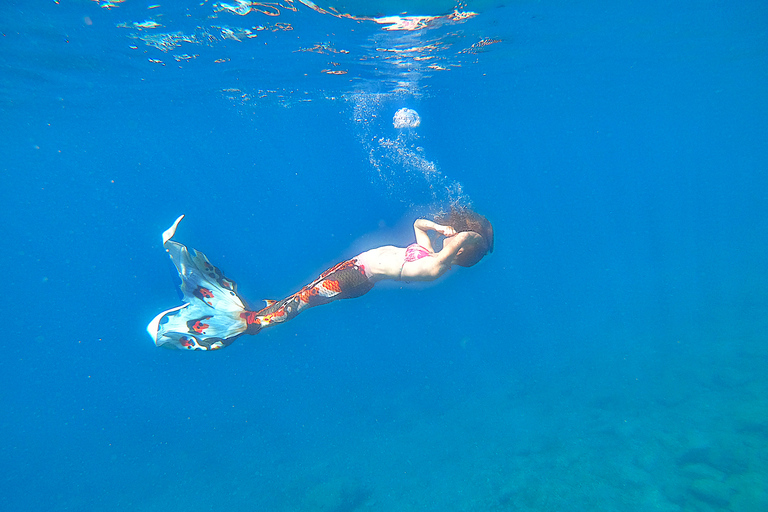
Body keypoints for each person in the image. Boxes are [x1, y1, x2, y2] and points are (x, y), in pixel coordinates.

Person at [147, 208, 493, 350]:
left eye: (458, 239)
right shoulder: (431, 254)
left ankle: (249, 324)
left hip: (354, 278)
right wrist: (438, 228)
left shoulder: (436, 267)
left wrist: (471, 237)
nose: (453, 236)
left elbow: (466, 242)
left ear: (462, 252)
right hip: (353, 269)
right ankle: (259, 316)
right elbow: (419, 224)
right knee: (299, 297)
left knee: (300, 301)